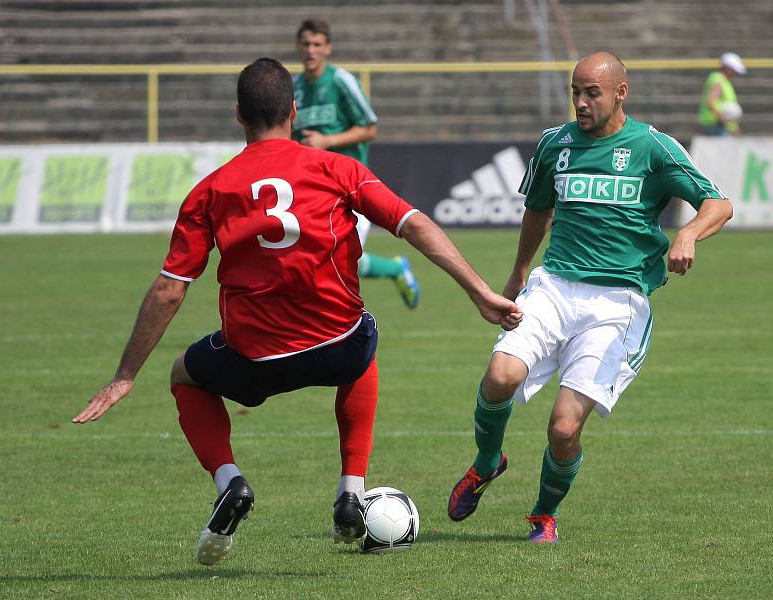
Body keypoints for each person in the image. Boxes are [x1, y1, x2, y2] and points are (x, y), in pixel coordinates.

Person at [72, 58, 523, 565]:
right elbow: (412, 223)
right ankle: (350, 490)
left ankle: (230, 483)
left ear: (238, 115)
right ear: (293, 110)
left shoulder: (211, 190)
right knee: (365, 338)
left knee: (184, 375)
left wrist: (125, 374)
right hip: (338, 345)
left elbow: (169, 290)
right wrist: (479, 290)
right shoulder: (336, 168)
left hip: (255, 358)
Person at [447, 51, 733, 543]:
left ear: (621, 93)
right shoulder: (554, 144)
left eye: (592, 92)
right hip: (554, 284)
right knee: (500, 377)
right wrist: (516, 275)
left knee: (563, 429)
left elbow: (718, 202)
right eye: (575, 91)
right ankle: (487, 463)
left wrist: (687, 236)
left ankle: (543, 514)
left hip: (616, 303)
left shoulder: (652, 147)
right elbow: (537, 210)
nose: (580, 102)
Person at [292, 18, 420, 309]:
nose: (310, 50)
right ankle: (394, 270)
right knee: (319, 258)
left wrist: (327, 141)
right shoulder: (294, 87)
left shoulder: (341, 81)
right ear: (297, 47)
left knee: (339, 259)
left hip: (349, 188)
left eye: (317, 44)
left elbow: (369, 127)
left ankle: (388, 277)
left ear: (328, 49)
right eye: (306, 44)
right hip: (312, 190)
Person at [698, 52, 746, 136]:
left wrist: (733, 126)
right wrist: (724, 119)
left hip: (718, 125)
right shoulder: (718, 80)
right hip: (715, 126)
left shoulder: (722, 80)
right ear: (727, 68)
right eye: (733, 70)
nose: (735, 73)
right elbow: (711, 103)